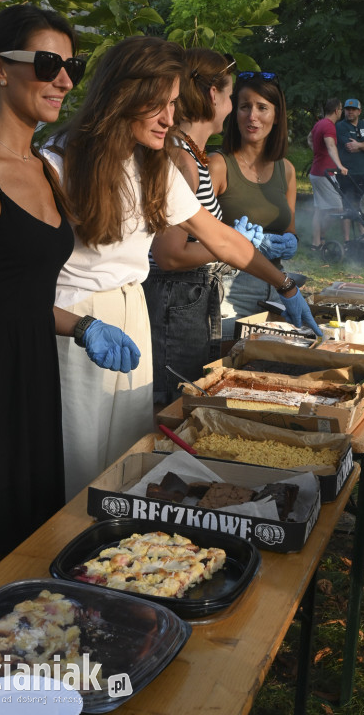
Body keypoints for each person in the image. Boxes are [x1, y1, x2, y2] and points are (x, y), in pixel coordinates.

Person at [0, 4, 139, 628]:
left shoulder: (44, 169)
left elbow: (14, 298)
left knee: (22, 565)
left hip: (34, 391)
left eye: (72, 66)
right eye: (48, 63)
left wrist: (82, 325)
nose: (66, 80)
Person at [42, 37, 321, 500]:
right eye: (160, 105)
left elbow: (219, 237)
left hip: (131, 314)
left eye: (174, 105)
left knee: (127, 460)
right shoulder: (59, 160)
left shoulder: (153, 163)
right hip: (75, 321)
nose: (171, 119)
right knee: (79, 465)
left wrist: (286, 286)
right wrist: (81, 326)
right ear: (124, 95)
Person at [142, 48, 234, 405]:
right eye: (229, 97)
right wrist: (228, 244)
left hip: (189, 297)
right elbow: (168, 254)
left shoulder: (192, 153)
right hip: (174, 299)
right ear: (213, 95)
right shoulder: (182, 159)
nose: (229, 106)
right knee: (173, 402)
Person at [208, 71, 300, 340]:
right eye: (245, 106)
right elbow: (194, 233)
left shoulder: (288, 171)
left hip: (276, 286)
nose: (252, 116)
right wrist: (235, 241)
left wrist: (289, 241)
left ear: (277, 115)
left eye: (262, 107)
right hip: (228, 288)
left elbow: (290, 230)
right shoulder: (219, 165)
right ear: (233, 112)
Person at [307, 97, 348, 250]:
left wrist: (317, 153)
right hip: (325, 174)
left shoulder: (319, 124)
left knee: (319, 209)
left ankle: (316, 243)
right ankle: (321, 236)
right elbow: (331, 146)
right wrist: (339, 166)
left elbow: (309, 138)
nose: (342, 112)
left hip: (316, 172)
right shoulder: (329, 126)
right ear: (337, 110)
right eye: (341, 109)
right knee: (338, 208)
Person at [336, 98, 364, 206]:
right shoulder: (340, 126)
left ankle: (363, 223)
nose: (350, 111)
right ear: (344, 111)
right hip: (346, 173)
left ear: (359, 111)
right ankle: (347, 223)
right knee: (347, 205)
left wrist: (359, 144)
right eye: (348, 109)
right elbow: (350, 147)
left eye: (353, 109)